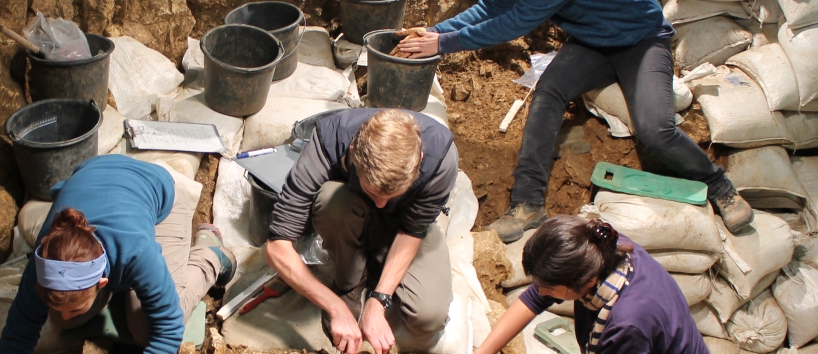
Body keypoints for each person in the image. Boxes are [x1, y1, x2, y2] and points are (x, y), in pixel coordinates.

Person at [393, 0, 754, 242]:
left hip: (642, 41)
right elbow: (495, 5)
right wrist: (437, 31)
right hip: (592, 43)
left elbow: (516, 21)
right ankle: (528, 203)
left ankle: (720, 187)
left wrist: (443, 43)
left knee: (654, 129)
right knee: (548, 94)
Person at [0, 154, 237, 354]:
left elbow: (168, 329)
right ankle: (112, 294)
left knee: (145, 329)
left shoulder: (136, 252)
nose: (64, 312)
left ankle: (210, 254)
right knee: (62, 319)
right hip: (98, 177)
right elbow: (18, 332)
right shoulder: (49, 256)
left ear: (102, 282)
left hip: (158, 201)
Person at [266, 108, 458, 354]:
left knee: (429, 316)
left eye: (390, 195)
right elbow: (276, 247)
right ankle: (350, 282)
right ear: (355, 152)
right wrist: (334, 306)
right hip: (349, 211)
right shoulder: (330, 139)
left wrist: (379, 300)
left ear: (419, 159)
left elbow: (412, 231)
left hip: (403, 226)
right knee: (330, 200)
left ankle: (377, 269)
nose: (381, 203)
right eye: (374, 192)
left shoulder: (440, 159)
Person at [475, 215, 707, 353]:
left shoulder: (627, 323)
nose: (542, 291)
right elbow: (536, 297)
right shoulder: (601, 246)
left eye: (550, 288)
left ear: (587, 282)